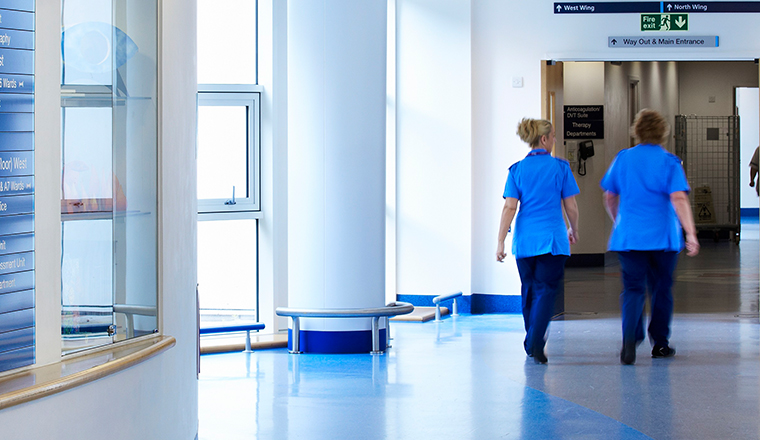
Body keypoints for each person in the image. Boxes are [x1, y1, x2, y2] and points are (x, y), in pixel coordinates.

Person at [600, 109, 700, 365]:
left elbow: (610, 196)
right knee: (661, 289)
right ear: (663, 132)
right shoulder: (669, 162)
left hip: (630, 237)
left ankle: (629, 340)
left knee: (632, 289)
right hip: (663, 239)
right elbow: (679, 198)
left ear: (637, 131)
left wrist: (618, 221)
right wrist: (690, 232)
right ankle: (660, 343)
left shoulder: (622, 159)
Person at [496, 118, 580, 364]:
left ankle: (531, 339)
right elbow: (571, 205)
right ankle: (535, 341)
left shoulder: (517, 170)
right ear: (544, 139)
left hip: (525, 242)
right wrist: (573, 228)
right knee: (546, 291)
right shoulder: (561, 168)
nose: (555, 140)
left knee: (529, 290)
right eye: (553, 136)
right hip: (552, 241)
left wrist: (500, 241)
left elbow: (509, 207)